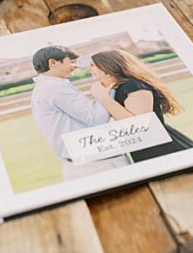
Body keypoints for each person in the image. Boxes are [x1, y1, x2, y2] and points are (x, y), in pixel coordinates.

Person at [29, 45, 130, 181]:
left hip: (87, 164)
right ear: (53, 63)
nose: (75, 66)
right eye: (70, 62)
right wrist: (107, 87)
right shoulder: (55, 88)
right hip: (96, 166)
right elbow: (96, 118)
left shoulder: (45, 88)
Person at [88, 49, 193, 162]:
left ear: (106, 66)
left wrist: (104, 98)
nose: (88, 69)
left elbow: (140, 126)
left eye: (92, 65)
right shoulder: (119, 89)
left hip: (162, 148)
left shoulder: (133, 86)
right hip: (144, 148)